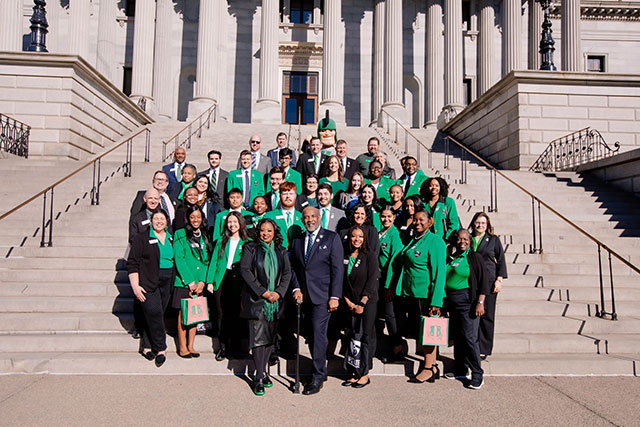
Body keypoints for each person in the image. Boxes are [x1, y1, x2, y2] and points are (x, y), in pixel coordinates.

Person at [290, 207, 344, 395]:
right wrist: (296, 288)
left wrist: (335, 296)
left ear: (319, 218)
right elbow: (295, 268)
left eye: (313, 216)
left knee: (318, 335)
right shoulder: (297, 240)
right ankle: (319, 369)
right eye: (306, 217)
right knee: (311, 336)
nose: (310, 220)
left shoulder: (331, 238)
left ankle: (318, 376)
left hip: (323, 297)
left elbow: (338, 270)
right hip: (303, 297)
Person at [239, 218, 292, 396]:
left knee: (269, 339)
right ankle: (259, 377)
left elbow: (287, 273)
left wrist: (279, 292)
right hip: (257, 301)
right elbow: (245, 271)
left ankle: (264, 372)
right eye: (262, 230)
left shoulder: (281, 251)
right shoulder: (250, 248)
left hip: (275, 301)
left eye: (269, 231)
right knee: (257, 341)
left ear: (274, 232)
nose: (265, 234)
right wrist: (263, 292)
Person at [401, 210, 446, 383]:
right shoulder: (414, 240)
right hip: (413, 294)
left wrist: (436, 302)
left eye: (422, 220)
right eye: (415, 219)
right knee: (423, 333)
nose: (418, 222)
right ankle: (433, 366)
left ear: (430, 222)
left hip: (426, 296)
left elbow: (439, 273)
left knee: (429, 333)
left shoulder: (435, 241)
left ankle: (428, 367)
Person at [127, 208, 174, 367]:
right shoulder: (143, 238)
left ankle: (146, 345)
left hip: (167, 281)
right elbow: (132, 262)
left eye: (162, 219)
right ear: (151, 221)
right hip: (148, 282)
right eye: (156, 219)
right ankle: (161, 348)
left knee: (155, 313)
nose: (159, 221)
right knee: (154, 311)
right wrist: (135, 286)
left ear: (167, 221)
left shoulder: (171, 237)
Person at [444, 229, 490, 390]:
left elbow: (484, 281)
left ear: (470, 241)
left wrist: (480, 302)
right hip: (452, 302)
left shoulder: (474, 257)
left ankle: (477, 373)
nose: (462, 241)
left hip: (467, 302)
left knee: (470, 338)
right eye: (459, 239)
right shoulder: (453, 257)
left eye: (465, 239)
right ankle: (460, 369)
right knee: (459, 337)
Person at [206, 211, 249, 360]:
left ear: (240, 223)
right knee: (221, 313)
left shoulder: (247, 241)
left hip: (238, 279)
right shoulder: (221, 241)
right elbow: (214, 262)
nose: (232, 225)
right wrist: (210, 281)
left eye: (235, 222)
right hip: (221, 278)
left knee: (237, 313)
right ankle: (223, 347)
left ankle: (237, 348)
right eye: (229, 222)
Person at [340, 225, 379, 388]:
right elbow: (340, 280)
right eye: (354, 236)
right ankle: (353, 371)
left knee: (365, 337)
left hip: (367, 303)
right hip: (350, 302)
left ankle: (364, 373)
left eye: (360, 237)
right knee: (351, 336)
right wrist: (348, 302)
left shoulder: (369, 256)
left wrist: (362, 302)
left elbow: (372, 280)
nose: (357, 239)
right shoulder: (345, 255)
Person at [172, 206, 211, 358]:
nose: (196, 220)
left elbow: (206, 261)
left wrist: (202, 281)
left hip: (199, 282)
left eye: (198, 217)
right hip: (184, 282)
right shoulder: (180, 234)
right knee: (183, 315)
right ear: (188, 219)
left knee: (195, 315)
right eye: (192, 217)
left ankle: (191, 345)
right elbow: (179, 258)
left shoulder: (204, 236)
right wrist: (190, 282)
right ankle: (182, 347)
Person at [468, 212, 507, 359]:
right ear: (473, 223)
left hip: (489, 281)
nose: (480, 225)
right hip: (471, 281)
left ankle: (483, 348)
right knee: (472, 314)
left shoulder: (493, 240)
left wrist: (499, 279)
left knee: (487, 314)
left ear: (488, 225)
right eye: (478, 222)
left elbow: (501, 260)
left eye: (483, 223)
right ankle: (472, 344)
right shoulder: (468, 239)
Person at [377, 206, 405, 363]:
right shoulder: (380, 233)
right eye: (383, 216)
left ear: (394, 217)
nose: (385, 219)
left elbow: (395, 262)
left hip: (389, 282)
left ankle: (397, 349)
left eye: (389, 216)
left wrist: (389, 286)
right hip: (378, 280)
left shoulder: (395, 235)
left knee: (390, 315)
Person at [264, 181, 305, 248]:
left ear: (296, 196)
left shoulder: (302, 217)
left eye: (291, 194)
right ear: (280, 196)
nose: (288, 196)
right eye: (285, 194)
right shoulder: (269, 216)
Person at [421, 177, 460, 241]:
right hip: (426, 240)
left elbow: (454, 223)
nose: (434, 188)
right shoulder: (423, 203)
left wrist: (447, 239)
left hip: (443, 240)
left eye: (437, 186)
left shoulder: (448, 202)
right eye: (431, 185)